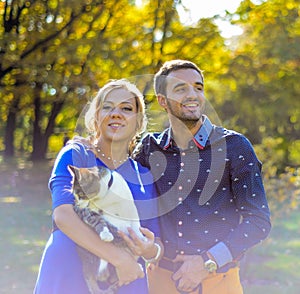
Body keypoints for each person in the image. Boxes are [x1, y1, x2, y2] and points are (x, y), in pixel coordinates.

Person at [132, 60, 272, 294]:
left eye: (198, 87)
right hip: (159, 280)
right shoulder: (149, 148)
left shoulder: (235, 146)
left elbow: (258, 221)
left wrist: (208, 261)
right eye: (180, 89)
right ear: (162, 101)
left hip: (218, 279)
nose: (192, 95)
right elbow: (123, 197)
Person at [34, 79, 162, 294]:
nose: (116, 113)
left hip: (126, 281)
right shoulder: (77, 155)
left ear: (139, 121)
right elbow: (63, 216)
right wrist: (119, 259)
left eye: (126, 108)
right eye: (107, 107)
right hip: (69, 272)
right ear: (96, 117)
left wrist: (151, 250)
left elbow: (156, 241)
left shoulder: (144, 176)